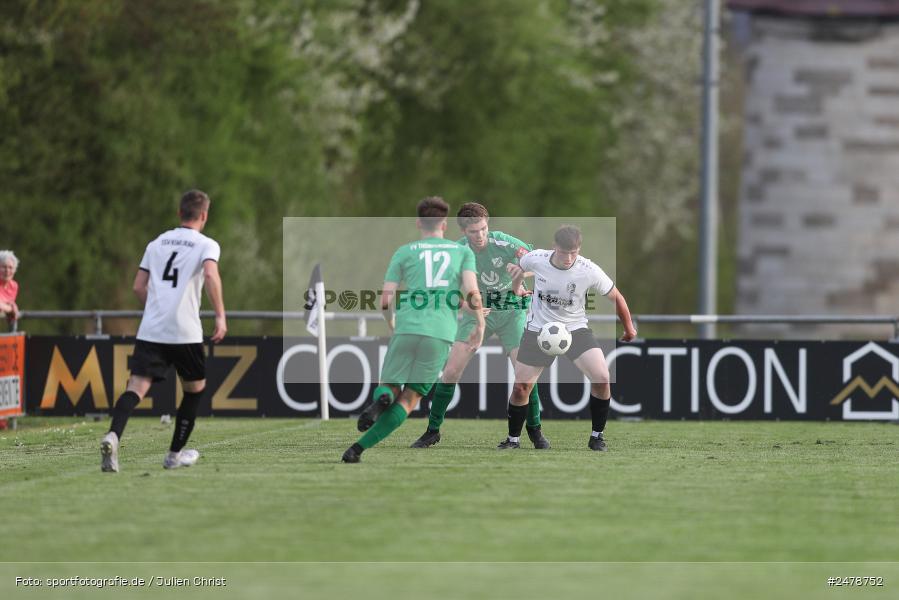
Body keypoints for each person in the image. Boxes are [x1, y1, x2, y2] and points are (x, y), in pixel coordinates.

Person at [342, 197, 485, 463]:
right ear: (444, 225)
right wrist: (480, 324)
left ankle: (382, 399)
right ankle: (356, 450)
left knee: (389, 387)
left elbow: (385, 300)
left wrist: (391, 324)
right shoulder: (462, 252)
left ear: (419, 223)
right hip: (440, 332)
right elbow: (472, 293)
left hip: (407, 327)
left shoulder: (404, 252)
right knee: (409, 399)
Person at [100, 190, 227, 472]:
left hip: (152, 329)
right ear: (203, 215)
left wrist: (157, 308)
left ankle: (113, 435)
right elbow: (209, 274)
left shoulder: (156, 243)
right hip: (185, 331)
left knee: (136, 388)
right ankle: (173, 455)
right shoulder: (207, 244)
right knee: (194, 391)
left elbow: (138, 286)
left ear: (180, 213)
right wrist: (220, 315)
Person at [410, 203, 550, 449]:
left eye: (484, 229)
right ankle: (432, 431)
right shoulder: (456, 251)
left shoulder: (504, 243)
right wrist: (467, 308)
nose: (481, 235)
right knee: (451, 371)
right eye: (474, 231)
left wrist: (521, 272)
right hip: (477, 314)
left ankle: (535, 431)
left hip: (511, 311)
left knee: (524, 375)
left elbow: (539, 263)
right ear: (464, 232)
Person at [499, 225, 636, 451]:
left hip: (575, 330)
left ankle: (597, 437)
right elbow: (518, 270)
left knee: (602, 378)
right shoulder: (537, 259)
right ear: (555, 247)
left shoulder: (588, 269)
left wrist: (629, 328)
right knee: (521, 388)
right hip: (538, 330)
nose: (569, 258)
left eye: (574, 252)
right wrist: (517, 289)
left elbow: (617, 297)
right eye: (564, 252)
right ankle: (513, 440)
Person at [0, 250, 20, 325]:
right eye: (4, 267)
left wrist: (12, 305)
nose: (7, 271)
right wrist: (12, 308)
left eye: (10, 268)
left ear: (14, 270)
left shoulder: (13, 286)